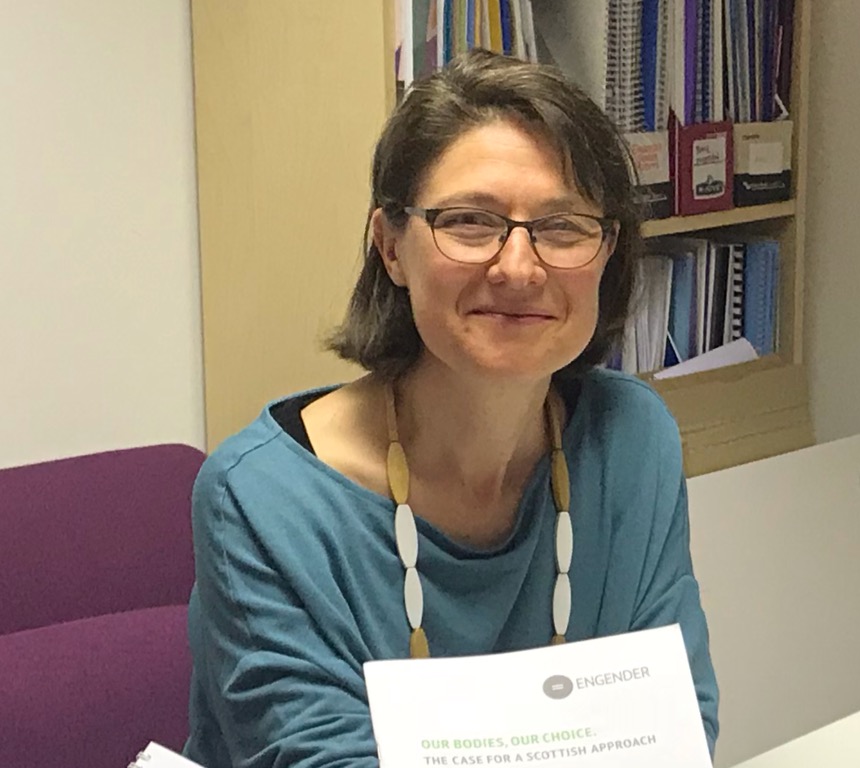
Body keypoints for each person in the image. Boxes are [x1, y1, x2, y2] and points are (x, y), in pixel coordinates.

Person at [183, 49, 719, 768]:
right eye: (470, 222)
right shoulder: (261, 498)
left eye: (563, 227)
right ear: (391, 248)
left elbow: (678, 722)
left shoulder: (630, 440)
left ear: (607, 252)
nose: (520, 268)